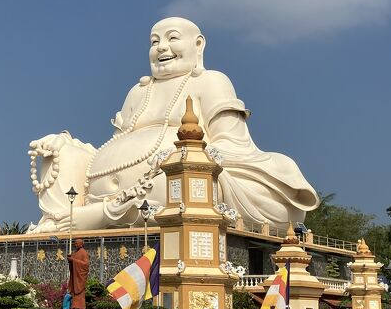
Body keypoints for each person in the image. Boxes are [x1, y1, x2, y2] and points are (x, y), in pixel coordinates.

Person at [28, 17, 319, 232]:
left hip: (170, 182)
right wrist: (65, 145)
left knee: (185, 183)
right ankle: (65, 218)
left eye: (172, 38)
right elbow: (113, 146)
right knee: (60, 153)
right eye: (154, 42)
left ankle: (95, 217)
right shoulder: (137, 92)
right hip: (114, 189)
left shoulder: (210, 81)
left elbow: (231, 147)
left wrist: (171, 162)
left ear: (198, 45)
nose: (161, 47)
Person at [67, 238, 89, 309]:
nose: (75, 245)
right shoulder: (76, 253)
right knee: (75, 293)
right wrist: (70, 261)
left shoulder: (83, 253)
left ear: (81, 244)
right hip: (75, 276)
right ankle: (74, 306)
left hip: (80, 276)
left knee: (79, 291)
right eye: (74, 243)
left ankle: (80, 307)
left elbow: (85, 265)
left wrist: (73, 260)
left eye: (76, 243)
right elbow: (73, 265)